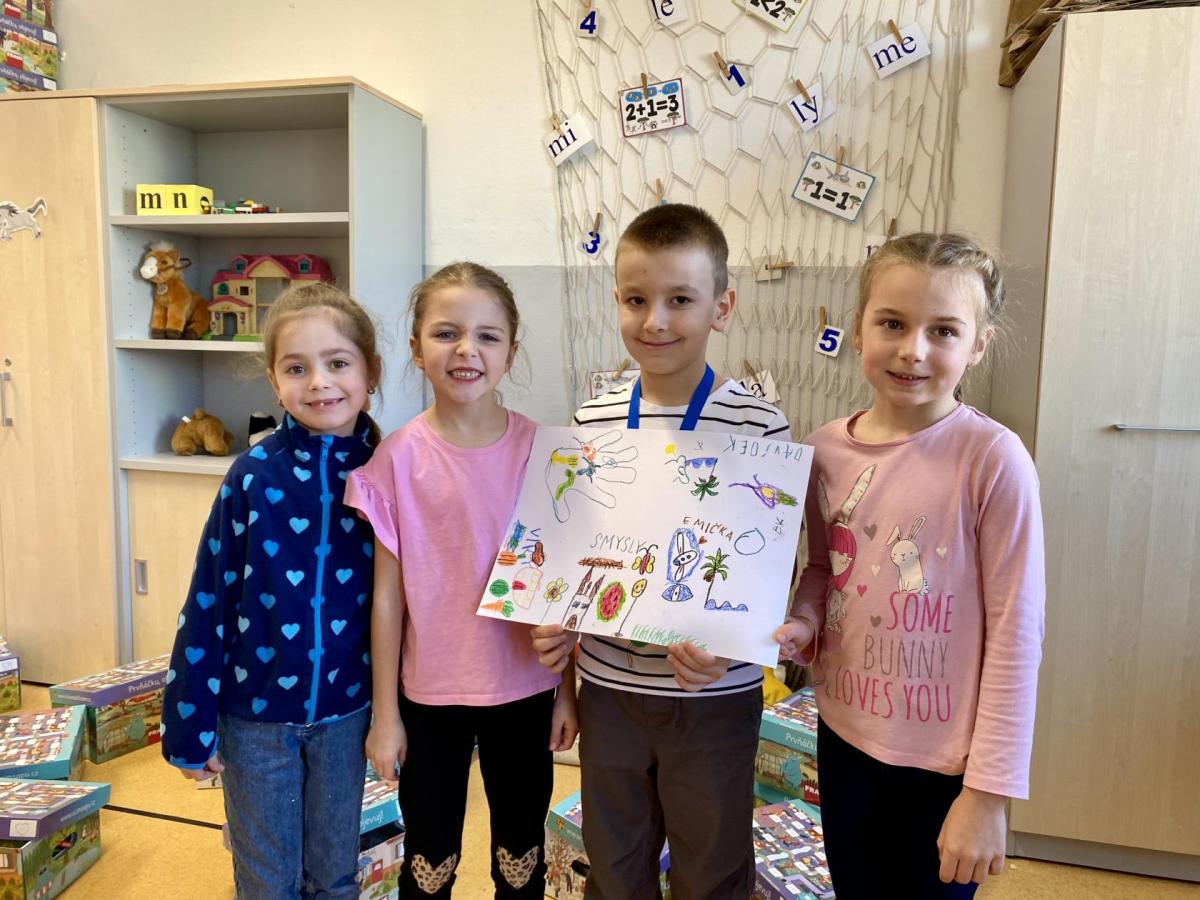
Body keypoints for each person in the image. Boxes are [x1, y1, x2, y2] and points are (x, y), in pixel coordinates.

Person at [775, 233, 1046, 898]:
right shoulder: (822, 451)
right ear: (859, 326)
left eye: (943, 331)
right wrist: (803, 622)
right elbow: (824, 569)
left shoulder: (993, 459)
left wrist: (987, 794)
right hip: (843, 735)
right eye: (892, 323)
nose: (912, 350)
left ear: (978, 344)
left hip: (944, 765)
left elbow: (1017, 635)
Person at [533, 204, 791, 898]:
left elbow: (769, 568)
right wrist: (556, 631)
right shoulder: (592, 418)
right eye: (636, 300)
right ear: (617, 301)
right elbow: (572, 558)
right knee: (615, 865)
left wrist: (730, 648)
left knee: (713, 867)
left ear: (721, 307)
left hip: (713, 694)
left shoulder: (759, 424)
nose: (655, 321)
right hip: (610, 690)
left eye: (681, 299)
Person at [348, 262, 576, 899]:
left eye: (487, 336)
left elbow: (564, 587)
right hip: (429, 697)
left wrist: (567, 693)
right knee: (429, 859)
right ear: (417, 348)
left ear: (511, 353)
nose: (466, 350)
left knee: (521, 857)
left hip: (525, 688)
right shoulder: (397, 457)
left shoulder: (546, 452)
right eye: (446, 333)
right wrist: (385, 715)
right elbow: (386, 599)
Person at [161, 282, 384, 898]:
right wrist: (190, 722)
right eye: (297, 368)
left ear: (370, 372)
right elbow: (207, 601)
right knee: (266, 881)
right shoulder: (252, 476)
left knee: (335, 876)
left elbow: (409, 604)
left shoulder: (388, 471)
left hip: (348, 716)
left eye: (337, 363)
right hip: (254, 720)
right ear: (273, 380)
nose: (319, 383)